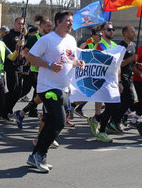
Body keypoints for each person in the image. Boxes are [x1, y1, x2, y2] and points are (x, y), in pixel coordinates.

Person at [24, 11, 84, 173]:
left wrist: (78, 63)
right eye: (68, 21)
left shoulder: (71, 40)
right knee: (59, 122)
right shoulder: (47, 39)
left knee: (51, 122)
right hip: (48, 88)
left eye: (71, 21)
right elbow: (29, 56)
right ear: (58, 22)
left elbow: (70, 60)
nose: (71, 24)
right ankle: (41, 155)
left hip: (64, 88)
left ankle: (34, 156)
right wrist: (49, 65)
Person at [15, 16, 53, 126]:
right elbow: (24, 52)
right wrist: (32, 60)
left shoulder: (51, 38)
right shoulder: (34, 38)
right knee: (43, 95)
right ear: (41, 26)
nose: (50, 28)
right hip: (35, 72)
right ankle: (45, 116)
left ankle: (22, 112)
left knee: (40, 96)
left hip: (48, 71)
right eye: (48, 26)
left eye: (51, 26)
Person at [3, 17, 26, 119]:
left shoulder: (22, 36)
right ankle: (1, 106)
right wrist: (17, 46)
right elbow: (8, 52)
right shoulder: (9, 36)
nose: (21, 26)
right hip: (11, 66)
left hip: (20, 66)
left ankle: (7, 108)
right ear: (14, 24)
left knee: (19, 91)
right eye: (19, 24)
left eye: (22, 24)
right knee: (13, 91)